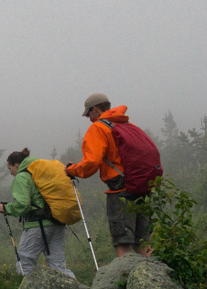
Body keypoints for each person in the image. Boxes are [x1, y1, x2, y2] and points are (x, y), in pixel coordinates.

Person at [65, 94, 154, 258]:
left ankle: (125, 279)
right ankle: (156, 278)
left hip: (120, 191)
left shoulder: (99, 128)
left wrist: (71, 170)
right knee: (142, 241)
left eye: (88, 114)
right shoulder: (127, 124)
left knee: (122, 242)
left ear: (95, 109)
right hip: (142, 186)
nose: (88, 119)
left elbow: (91, 163)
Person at [0, 148, 76, 278]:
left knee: (24, 260)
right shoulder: (39, 172)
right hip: (57, 221)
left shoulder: (22, 176)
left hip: (37, 225)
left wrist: (6, 208)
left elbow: (23, 204)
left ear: (16, 165)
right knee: (58, 264)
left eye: (10, 169)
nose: (11, 173)